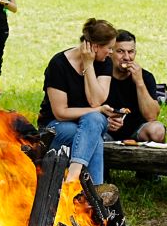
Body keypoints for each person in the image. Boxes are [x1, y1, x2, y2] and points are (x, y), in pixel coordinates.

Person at [38, 19, 119, 183]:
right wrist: (97, 110)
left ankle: (73, 175)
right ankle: (95, 195)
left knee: (93, 122)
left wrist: (88, 64)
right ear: (95, 47)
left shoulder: (104, 63)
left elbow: (95, 101)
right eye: (109, 48)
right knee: (92, 136)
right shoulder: (59, 64)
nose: (111, 52)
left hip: (90, 124)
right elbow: (61, 113)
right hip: (56, 126)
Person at [105, 31, 165, 143]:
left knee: (157, 130)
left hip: (137, 131)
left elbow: (152, 117)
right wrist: (105, 123)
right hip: (106, 131)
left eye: (131, 52)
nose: (127, 57)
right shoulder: (101, 75)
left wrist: (139, 82)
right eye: (120, 52)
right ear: (110, 53)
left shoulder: (145, 77)